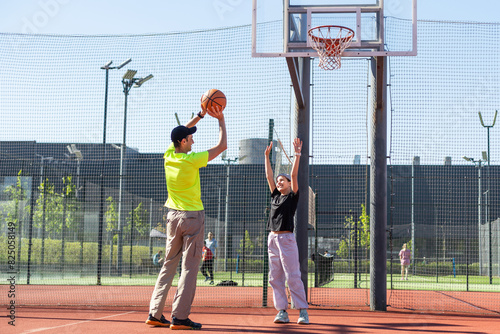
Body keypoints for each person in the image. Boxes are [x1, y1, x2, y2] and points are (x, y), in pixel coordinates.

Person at [145, 105, 227, 330]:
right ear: (183, 142)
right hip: (192, 218)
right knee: (190, 266)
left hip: (172, 217)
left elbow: (180, 131)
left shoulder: (169, 155)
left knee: (168, 265)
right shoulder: (192, 160)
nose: (193, 140)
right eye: (190, 138)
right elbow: (222, 146)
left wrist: (199, 117)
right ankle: (180, 317)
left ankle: (155, 313)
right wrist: (220, 119)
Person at [264, 138, 309, 325]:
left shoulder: (292, 196)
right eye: (278, 180)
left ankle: (303, 311)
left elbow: (294, 174)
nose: (278, 181)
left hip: (287, 239)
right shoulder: (275, 195)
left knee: (293, 275)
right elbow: (269, 176)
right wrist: (267, 157)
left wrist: (297, 154)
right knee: (275, 277)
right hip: (272, 239)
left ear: (290, 184)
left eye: (282, 180)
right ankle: (282, 311)